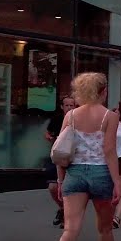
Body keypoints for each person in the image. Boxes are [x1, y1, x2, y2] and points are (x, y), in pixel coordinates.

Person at [54, 73, 121, 241]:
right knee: (105, 229)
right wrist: (118, 183)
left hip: (75, 174)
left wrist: (62, 180)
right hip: (101, 173)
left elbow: (60, 150)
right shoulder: (109, 117)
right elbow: (110, 151)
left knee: (70, 230)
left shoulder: (70, 115)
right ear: (103, 91)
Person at [45, 96, 77, 228]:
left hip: (74, 157)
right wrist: (52, 138)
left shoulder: (79, 119)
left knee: (68, 188)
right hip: (59, 155)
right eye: (67, 105)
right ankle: (62, 208)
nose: (69, 108)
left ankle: (67, 217)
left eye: (72, 105)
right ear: (62, 107)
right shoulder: (57, 119)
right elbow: (47, 133)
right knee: (53, 187)